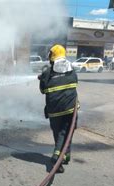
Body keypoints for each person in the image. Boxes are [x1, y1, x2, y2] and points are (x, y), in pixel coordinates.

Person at [38, 44, 78, 173]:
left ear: (52, 56)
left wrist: (42, 78)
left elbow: (43, 91)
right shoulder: (72, 69)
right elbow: (74, 83)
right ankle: (60, 156)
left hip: (54, 111)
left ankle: (61, 155)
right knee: (68, 132)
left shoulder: (47, 73)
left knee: (59, 133)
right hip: (71, 109)